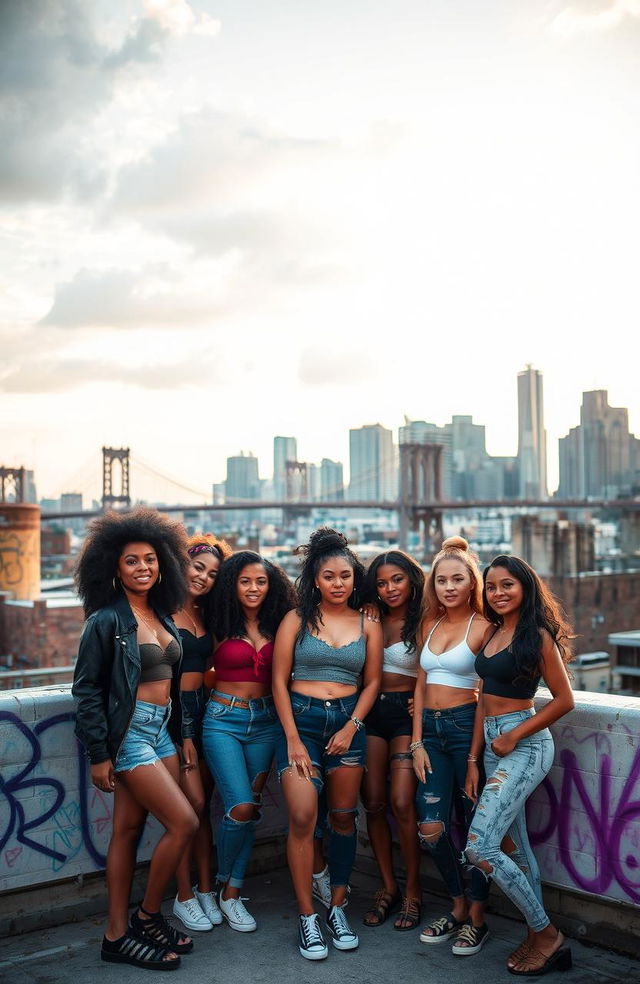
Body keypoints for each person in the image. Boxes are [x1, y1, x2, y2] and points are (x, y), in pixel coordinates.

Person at [72, 507, 198, 971]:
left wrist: (180, 732)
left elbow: (173, 680)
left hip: (160, 729)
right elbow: (85, 690)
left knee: (128, 830)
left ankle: (121, 934)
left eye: (150, 558)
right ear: (113, 567)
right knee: (183, 823)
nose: (143, 567)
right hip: (128, 736)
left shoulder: (161, 612)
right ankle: (138, 921)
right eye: (131, 560)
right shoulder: (105, 621)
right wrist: (99, 754)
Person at [272, 528, 383, 961]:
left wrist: (353, 725)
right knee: (302, 815)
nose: (339, 583)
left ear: (355, 578)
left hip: (348, 727)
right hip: (301, 721)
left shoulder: (367, 622)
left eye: (346, 576)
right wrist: (294, 740)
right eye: (329, 577)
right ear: (315, 581)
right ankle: (307, 917)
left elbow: (371, 681)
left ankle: (337, 907)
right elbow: (278, 683)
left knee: (341, 819)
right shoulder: (296, 619)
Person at [464, 555, 575, 977]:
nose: (498, 593)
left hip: (524, 743)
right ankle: (537, 936)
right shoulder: (493, 631)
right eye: (491, 587)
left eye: (507, 585)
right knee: (516, 847)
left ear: (525, 587)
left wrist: (514, 735)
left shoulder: (536, 636)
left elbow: (565, 700)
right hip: (493, 743)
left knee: (479, 846)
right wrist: (475, 759)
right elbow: (483, 698)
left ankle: (546, 934)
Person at [201, 550, 297, 933]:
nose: (254, 588)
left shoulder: (280, 623)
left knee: (251, 808)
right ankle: (219, 881)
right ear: (232, 585)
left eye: (260, 581)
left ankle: (231, 894)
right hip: (223, 719)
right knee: (239, 805)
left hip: (267, 722)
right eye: (245, 581)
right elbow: (195, 670)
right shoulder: (217, 621)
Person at [411, 536, 492, 955]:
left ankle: (476, 917)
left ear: (471, 582)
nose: (448, 586)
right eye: (441, 580)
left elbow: (483, 698)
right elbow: (421, 684)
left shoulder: (484, 626)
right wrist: (416, 742)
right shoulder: (430, 624)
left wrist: (476, 758)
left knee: (477, 829)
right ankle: (458, 905)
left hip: (465, 730)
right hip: (432, 736)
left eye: (457, 579)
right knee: (431, 828)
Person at [360, 550, 425, 931]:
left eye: (397, 580)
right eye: (382, 582)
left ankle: (414, 889)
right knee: (372, 802)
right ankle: (388, 887)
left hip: (406, 715)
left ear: (411, 579)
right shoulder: (369, 615)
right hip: (370, 714)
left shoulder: (425, 618)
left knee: (402, 802)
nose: (389, 589)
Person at [171, 533, 232, 933]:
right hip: (170, 715)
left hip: (205, 709)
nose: (204, 578)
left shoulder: (209, 617)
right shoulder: (161, 610)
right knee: (186, 807)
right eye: (198, 567)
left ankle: (206, 888)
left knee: (204, 806)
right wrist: (184, 730)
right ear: (181, 564)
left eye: (212, 574)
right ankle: (183, 895)